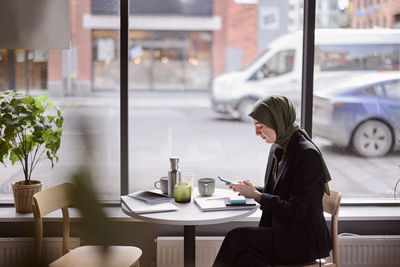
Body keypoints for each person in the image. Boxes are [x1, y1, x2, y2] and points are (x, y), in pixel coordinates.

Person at [213, 95, 332, 267]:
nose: (256, 133)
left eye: (260, 127)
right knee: (243, 258)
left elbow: (296, 209)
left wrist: (257, 195)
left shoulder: (307, 154)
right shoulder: (279, 146)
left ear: (277, 121)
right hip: (283, 230)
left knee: (236, 238)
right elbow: (279, 192)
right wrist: (252, 190)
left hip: (302, 240)